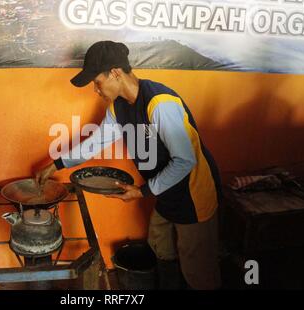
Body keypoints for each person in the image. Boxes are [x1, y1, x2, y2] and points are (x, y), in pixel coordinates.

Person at [36, 41, 222, 290]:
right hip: (165, 194)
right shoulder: (118, 108)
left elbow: (184, 161)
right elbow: (94, 143)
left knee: (198, 271)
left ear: (115, 73)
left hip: (193, 195)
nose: (95, 90)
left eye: (97, 82)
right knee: (161, 249)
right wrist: (55, 165)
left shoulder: (159, 103)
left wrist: (143, 191)